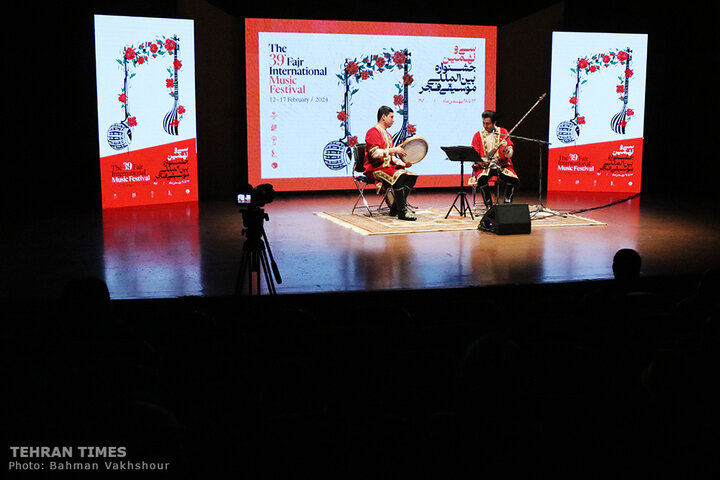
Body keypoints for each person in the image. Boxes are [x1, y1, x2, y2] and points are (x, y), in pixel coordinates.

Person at [364, 105, 418, 221]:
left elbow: (391, 157)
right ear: (384, 117)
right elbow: (374, 154)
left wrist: (404, 164)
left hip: (387, 168)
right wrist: (393, 150)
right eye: (392, 117)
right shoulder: (373, 132)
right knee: (399, 177)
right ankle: (402, 212)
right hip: (375, 169)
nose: (393, 120)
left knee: (411, 177)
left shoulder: (388, 135)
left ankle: (395, 208)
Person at [469, 110, 519, 208]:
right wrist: (480, 162)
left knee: (513, 179)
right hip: (485, 167)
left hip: (501, 165)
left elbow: (510, 154)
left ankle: (507, 205)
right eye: (483, 123)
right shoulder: (477, 135)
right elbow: (473, 155)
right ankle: (489, 206)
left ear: (494, 123)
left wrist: (505, 149)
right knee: (482, 179)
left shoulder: (503, 132)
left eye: (488, 123)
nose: (485, 126)